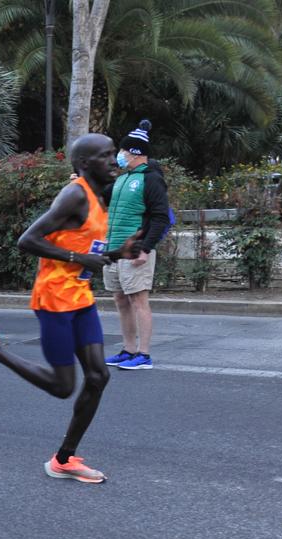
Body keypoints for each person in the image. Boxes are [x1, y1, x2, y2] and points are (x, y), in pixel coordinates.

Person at [0, 134, 143, 484]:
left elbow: (83, 245)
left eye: (114, 154)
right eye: (105, 156)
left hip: (80, 296)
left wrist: (117, 253)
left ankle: (63, 459)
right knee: (62, 386)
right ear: (84, 164)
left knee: (98, 377)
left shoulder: (100, 195)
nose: (114, 160)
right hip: (54, 298)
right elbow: (28, 240)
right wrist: (78, 258)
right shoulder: (75, 193)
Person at [102, 119, 171, 370]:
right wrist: (80, 179)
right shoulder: (122, 179)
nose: (119, 156)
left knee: (138, 301)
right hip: (114, 251)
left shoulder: (150, 179)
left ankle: (144, 355)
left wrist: (145, 248)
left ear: (134, 153)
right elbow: (99, 195)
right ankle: (128, 349)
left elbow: (160, 216)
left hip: (135, 251)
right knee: (121, 300)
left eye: (122, 151)